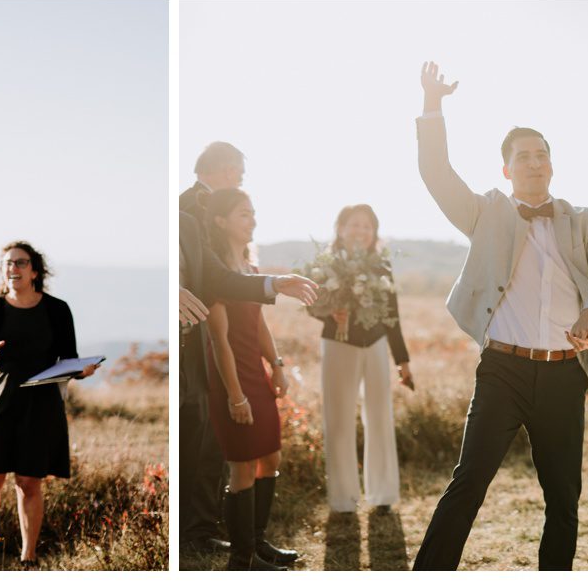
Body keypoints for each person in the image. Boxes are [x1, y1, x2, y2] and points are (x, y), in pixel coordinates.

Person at [408, 61, 588, 571]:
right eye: (522, 157)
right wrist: (432, 105)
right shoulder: (486, 212)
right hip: (503, 371)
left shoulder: (584, 220)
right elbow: (436, 174)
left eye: (541, 156)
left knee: (563, 498)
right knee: (467, 484)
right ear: (507, 170)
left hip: (563, 375)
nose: (534, 164)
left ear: (552, 166)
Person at [175, 141, 317, 561]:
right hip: (201, 338)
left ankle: (219, 532)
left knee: (222, 446)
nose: (240, 179)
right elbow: (207, 280)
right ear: (217, 169)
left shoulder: (237, 246)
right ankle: (199, 534)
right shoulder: (184, 211)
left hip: (233, 336)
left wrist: (272, 286)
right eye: (236, 170)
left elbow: (225, 280)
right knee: (202, 436)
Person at [0, 241, 98, 570]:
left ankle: (29, 557)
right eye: (7, 264)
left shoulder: (57, 310)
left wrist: (82, 371)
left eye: (20, 263)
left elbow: (68, 358)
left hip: (41, 404)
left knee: (28, 482)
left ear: (35, 271)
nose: (12, 268)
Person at [202, 187, 296, 570]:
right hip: (231, 379)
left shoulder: (253, 272)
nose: (252, 219)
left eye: (253, 213)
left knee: (270, 457)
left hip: (257, 375)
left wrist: (277, 365)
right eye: (244, 214)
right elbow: (218, 341)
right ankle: (241, 560)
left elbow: (257, 326)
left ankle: (258, 544)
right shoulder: (215, 276)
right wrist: (235, 395)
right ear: (221, 221)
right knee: (242, 466)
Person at [313, 204, 413, 514]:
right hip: (338, 344)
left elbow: (392, 315)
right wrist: (329, 311)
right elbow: (313, 303)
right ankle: (343, 499)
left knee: (380, 416)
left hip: (377, 345)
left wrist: (402, 360)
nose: (361, 231)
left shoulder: (382, 266)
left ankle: (383, 494)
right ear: (341, 229)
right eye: (354, 224)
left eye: (367, 226)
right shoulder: (325, 265)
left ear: (374, 233)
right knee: (339, 420)